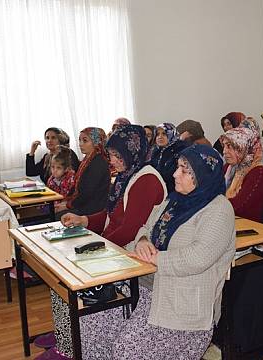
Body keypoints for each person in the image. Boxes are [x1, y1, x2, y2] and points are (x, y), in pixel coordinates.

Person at [75, 144, 235, 359]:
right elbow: (146, 228)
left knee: (126, 351)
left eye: (185, 170)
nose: (176, 174)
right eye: (178, 167)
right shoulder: (174, 199)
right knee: (90, 322)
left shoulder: (219, 209)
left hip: (182, 304)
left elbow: (198, 257)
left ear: (203, 175)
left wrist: (156, 258)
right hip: (146, 286)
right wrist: (141, 241)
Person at [35, 125, 166, 359]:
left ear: (131, 152)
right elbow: (110, 216)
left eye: (117, 156)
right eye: (111, 155)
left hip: (131, 255)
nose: (112, 161)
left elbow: (129, 230)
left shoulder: (146, 180)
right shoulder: (126, 177)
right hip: (118, 248)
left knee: (74, 277)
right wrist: (83, 220)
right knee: (62, 276)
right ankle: (65, 335)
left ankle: (72, 346)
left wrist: (95, 246)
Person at [220, 126, 263, 222]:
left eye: (229, 146)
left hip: (251, 229)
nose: (224, 152)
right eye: (224, 146)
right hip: (230, 222)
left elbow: (239, 207)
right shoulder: (230, 168)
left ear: (244, 146)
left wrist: (213, 207)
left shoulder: (259, 173)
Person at [59, 127, 111, 216]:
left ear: (96, 142)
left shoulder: (98, 162)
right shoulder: (87, 160)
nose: (80, 144)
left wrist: (67, 205)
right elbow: (76, 186)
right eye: (79, 140)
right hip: (83, 205)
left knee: (53, 217)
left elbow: (87, 193)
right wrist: (65, 200)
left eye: (85, 140)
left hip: (92, 210)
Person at [149, 123, 188, 193]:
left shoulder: (180, 151)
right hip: (159, 192)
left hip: (175, 193)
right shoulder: (155, 151)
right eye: (157, 134)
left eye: (164, 134)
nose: (160, 137)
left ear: (172, 134)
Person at [46, 146, 77, 213]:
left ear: (66, 169)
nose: (54, 170)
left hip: (67, 206)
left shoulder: (71, 179)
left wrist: (58, 206)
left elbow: (69, 197)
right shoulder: (51, 180)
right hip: (54, 205)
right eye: (53, 167)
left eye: (58, 168)